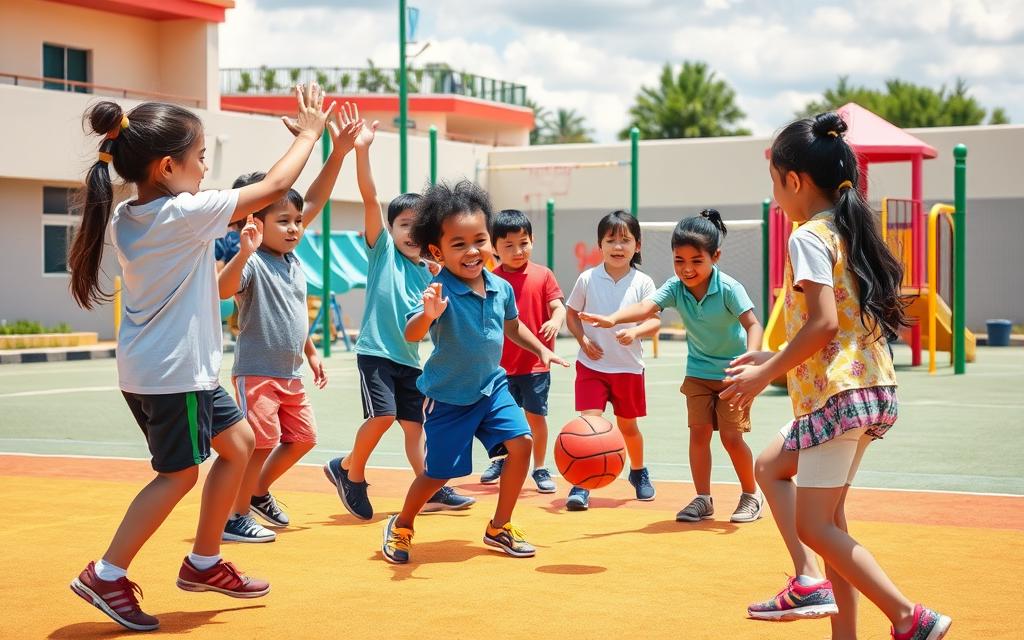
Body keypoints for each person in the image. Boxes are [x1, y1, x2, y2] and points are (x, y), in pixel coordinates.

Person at [66, 84, 333, 631]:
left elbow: (208, 282)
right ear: (168, 166)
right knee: (178, 475)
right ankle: (107, 573)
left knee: (238, 446)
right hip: (172, 376)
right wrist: (310, 135)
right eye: (201, 157)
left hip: (168, 370)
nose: (206, 167)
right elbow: (277, 186)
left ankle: (204, 562)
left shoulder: (129, 216)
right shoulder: (182, 215)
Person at [724, 112, 951, 640]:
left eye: (776, 183)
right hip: (867, 390)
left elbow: (824, 323)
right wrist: (774, 355)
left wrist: (766, 375)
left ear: (794, 181)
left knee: (815, 525)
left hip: (837, 397)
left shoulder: (806, 236)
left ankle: (907, 617)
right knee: (795, 489)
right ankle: (824, 601)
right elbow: (839, 321)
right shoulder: (845, 230)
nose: (777, 195)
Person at [381, 180, 568, 564]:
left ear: (491, 243)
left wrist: (542, 350)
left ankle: (499, 526)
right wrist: (428, 315)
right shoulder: (439, 289)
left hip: (491, 388)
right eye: (458, 244)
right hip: (449, 397)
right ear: (437, 251)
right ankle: (401, 523)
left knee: (522, 444)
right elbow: (412, 331)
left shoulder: (500, 287)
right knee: (437, 475)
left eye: (479, 240)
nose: (472, 251)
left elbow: (512, 327)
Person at [216, 102, 364, 542]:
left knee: (301, 439)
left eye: (298, 221)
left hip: (292, 371)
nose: (296, 227)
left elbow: (312, 198)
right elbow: (224, 292)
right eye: (284, 221)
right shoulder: (253, 260)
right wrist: (242, 250)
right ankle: (234, 515)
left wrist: (338, 152)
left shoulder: (292, 257)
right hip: (257, 372)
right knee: (257, 444)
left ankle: (258, 491)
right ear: (253, 221)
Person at [323, 112, 475, 519]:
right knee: (383, 415)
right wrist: (363, 150)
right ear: (389, 228)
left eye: (417, 227)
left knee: (416, 428)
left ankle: (433, 485)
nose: (410, 233)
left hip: (409, 361)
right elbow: (370, 198)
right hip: (375, 353)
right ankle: (350, 473)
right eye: (403, 224)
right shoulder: (382, 253)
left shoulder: (432, 271)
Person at [580, 210, 765, 523]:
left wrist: (750, 361)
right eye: (679, 260)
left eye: (696, 261)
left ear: (715, 256)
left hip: (733, 375)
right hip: (698, 374)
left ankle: (751, 494)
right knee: (699, 434)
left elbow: (753, 324)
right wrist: (613, 317)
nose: (687, 269)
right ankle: (703, 499)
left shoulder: (730, 288)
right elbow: (645, 306)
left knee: (732, 439)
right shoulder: (675, 287)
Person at [563, 210, 660, 511]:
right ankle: (581, 482)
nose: (618, 247)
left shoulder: (643, 282)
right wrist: (583, 340)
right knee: (590, 423)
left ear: (637, 245)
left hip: (628, 367)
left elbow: (654, 321)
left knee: (628, 427)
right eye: (611, 240)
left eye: (625, 240)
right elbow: (571, 313)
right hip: (592, 365)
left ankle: (638, 472)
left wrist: (636, 332)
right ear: (600, 245)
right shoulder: (588, 278)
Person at [482, 209, 566, 493]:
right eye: (509, 245)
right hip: (500, 366)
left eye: (524, 243)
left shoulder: (543, 275)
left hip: (535, 365)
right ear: (494, 249)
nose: (518, 251)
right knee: (500, 419)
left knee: (535, 417)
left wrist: (555, 320)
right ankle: (502, 459)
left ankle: (539, 467)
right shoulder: (489, 279)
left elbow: (557, 305)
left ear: (532, 241)